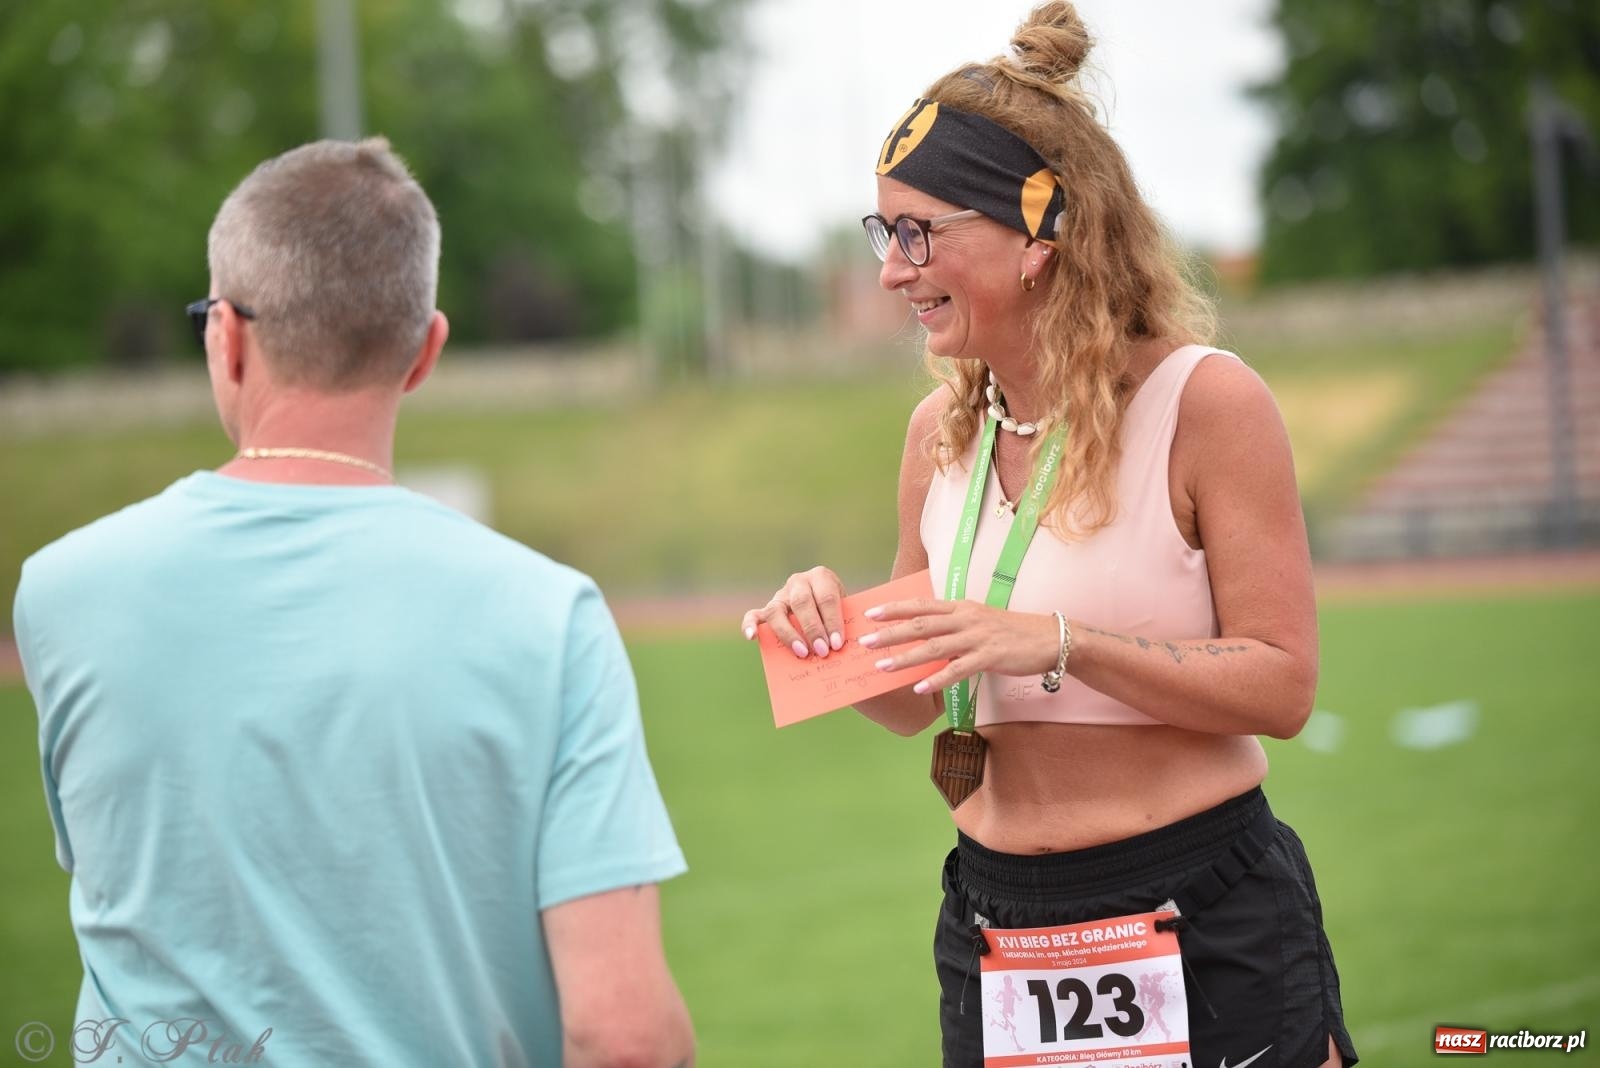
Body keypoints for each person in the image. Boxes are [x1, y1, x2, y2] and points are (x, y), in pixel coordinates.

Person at [740, 5, 1357, 1066]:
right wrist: (824, 637)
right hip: (997, 925)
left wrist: (1062, 644)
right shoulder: (938, 431)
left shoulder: (1205, 402)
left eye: (918, 232)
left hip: (1198, 909)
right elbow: (914, 697)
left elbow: (1282, 686)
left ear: (1035, 237)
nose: (892, 269)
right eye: (884, 234)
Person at [14, 138, 694, 1068]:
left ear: (227, 335)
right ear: (425, 351)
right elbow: (625, 1040)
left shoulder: (62, 591)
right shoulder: (550, 617)